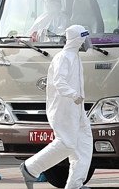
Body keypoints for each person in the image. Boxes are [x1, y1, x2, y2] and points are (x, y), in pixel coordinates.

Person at [20, 26, 93, 189]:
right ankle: (30, 168)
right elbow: (59, 82)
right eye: (84, 37)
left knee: (84, 144)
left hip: (77, 109)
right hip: (63, 109)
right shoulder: (63, 57)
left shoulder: (75, 57)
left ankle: (75, 184)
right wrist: (73, 94)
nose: (87, 42)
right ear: (77, 39)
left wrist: (77, 100)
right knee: (67, 143)